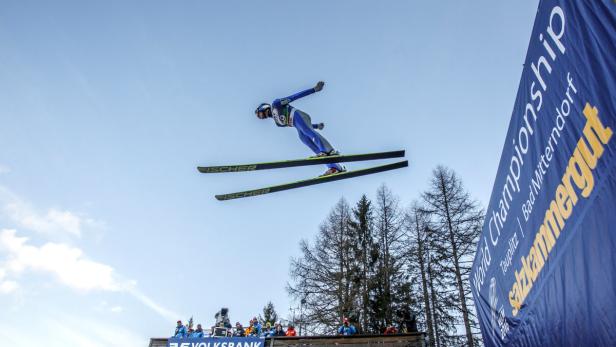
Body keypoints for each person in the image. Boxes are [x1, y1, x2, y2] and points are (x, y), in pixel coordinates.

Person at [255, 81, 346, 176]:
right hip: (297, 125)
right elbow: (303, 127)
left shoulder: (276, 104)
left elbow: (294, 97)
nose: (261, 117)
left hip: (299, 116)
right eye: (260, 117)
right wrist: (316, 126)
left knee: (307, 132)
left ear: (264, 108)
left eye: (260, 114)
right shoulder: (278, 123)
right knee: (305, 140)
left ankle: (329, 151)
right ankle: (335, 167)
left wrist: (314, 89)